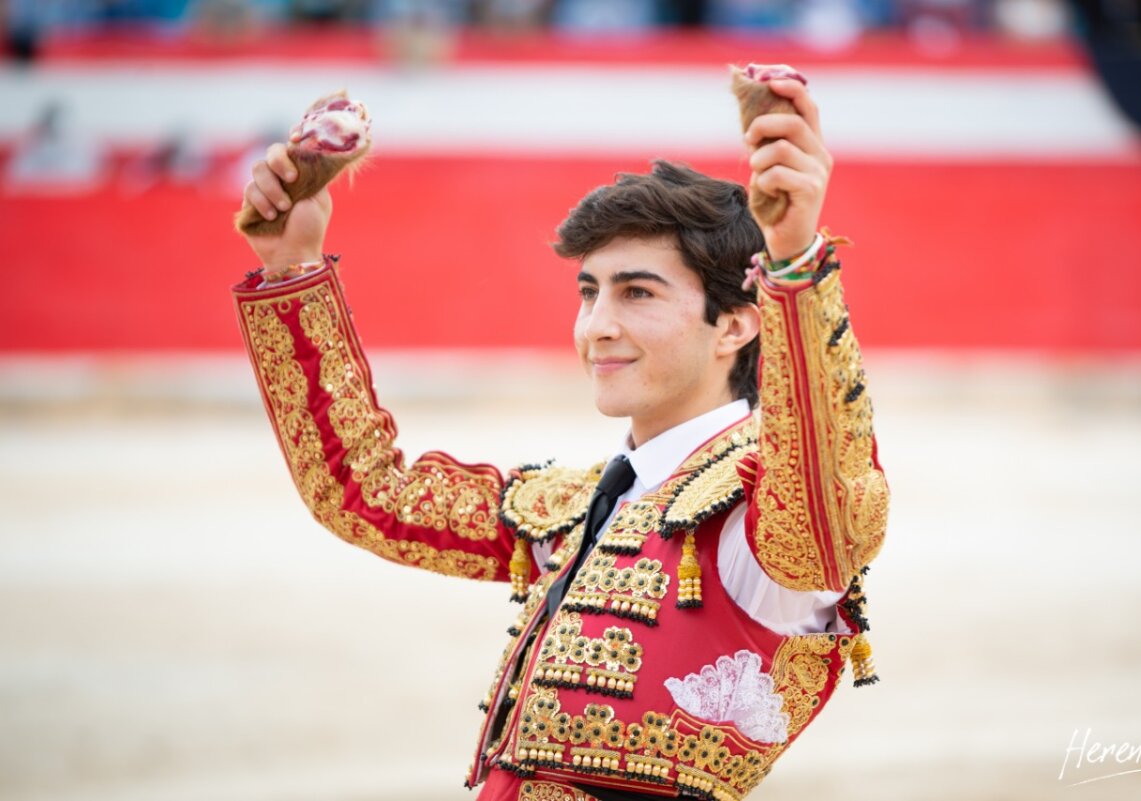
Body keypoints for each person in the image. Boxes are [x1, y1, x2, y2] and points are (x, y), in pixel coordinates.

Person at [232, 70, 887, 801]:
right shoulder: (579, 507)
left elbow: (825, 468)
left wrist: (796, 261)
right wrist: (291, 265)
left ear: (736, 322)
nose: (597, 325)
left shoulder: (759, 528)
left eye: (637, 291)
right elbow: (366, 492)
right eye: (589, 291)